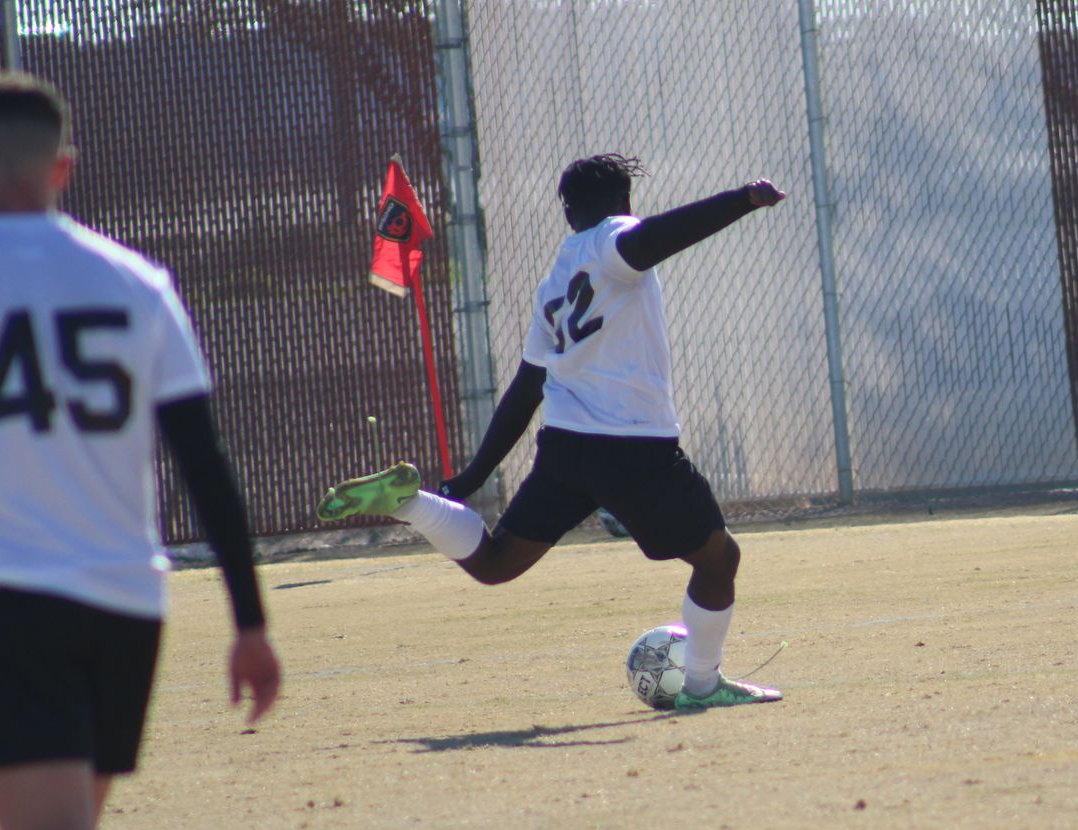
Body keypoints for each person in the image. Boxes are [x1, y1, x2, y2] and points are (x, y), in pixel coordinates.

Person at [0, 72, 282, 830]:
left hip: (8, 608)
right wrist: (250, 624)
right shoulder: (135, 282)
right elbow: (205, 463)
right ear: (63, 167)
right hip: (126, 606)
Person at [317, 154, 784, 709]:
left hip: (566, 448)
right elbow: (651, 240)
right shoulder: (615, 238)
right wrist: (742, 200)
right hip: (634, 447)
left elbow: (525, 390)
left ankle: (409, 503)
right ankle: (703, 686)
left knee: (495, 564)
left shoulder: (556, 280)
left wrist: (470, 477)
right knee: (719, 560)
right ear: (623, 203)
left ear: (567, 213)